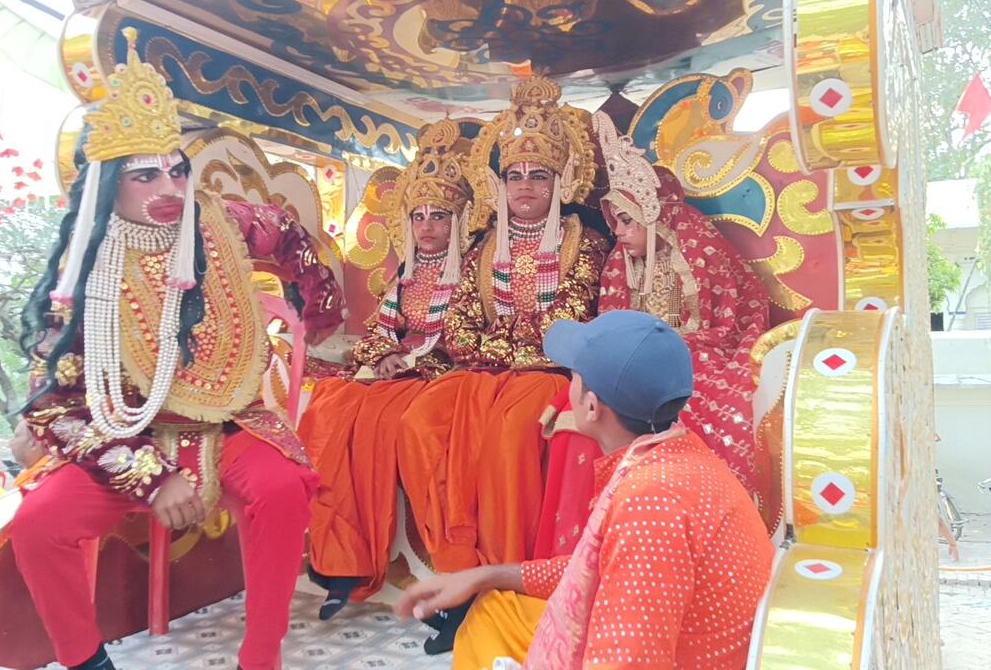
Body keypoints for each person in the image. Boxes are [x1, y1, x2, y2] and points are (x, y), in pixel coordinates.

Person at [11, 28, 344, 670]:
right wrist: (152, 475)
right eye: (145, 176)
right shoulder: (81, 276)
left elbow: (288, 230)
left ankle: (261, 658)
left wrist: (319, 300)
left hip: (232, 423)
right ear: (110, 186)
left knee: (283, 488)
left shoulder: (221, 221)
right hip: (128, 437)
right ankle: (85, 661)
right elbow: (53, 409)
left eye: (176, 170)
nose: (168, 188)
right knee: (38, 524)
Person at [396, 311, 774, 670]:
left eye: (573, 376)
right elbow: (600, 568)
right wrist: (483, 576)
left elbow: (628, 661)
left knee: (490, 625)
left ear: (591, 406)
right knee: (495, 611)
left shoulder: (651, 502)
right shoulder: (676, 451)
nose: (568, 386)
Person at [396, 75, 609, 652]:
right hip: (481, 373)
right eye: (515, 175)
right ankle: (454, 569)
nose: (525, 186)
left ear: (559, 181)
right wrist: (496, 352)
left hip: (546, 374)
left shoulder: (584, 240)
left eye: (538, 175)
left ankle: (502, 585)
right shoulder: (483, 246)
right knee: (417, 425)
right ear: (500, 183)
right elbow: (459, 322)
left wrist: (516, 352)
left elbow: (571, 318)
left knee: (509, 440)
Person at [534, 113, 772, 557]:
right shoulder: (618, 263)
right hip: (632, 363)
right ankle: (578, 549)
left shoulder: (700, 248)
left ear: (654, 214)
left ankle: (667, 535)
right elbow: (610, 335)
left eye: (628, 221)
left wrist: (672, 345)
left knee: (688, 403)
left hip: (696, 355)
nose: (619, 232)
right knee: (572, 413)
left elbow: (732, 321)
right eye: (615, 222)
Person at [298, 118, 477, 620]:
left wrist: (413, 359)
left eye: (439, 216)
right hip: (396, 371)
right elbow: (381, 327)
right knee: (330, 405)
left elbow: (467, 334)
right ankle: (338, 562)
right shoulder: (408, 272)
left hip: (441, 373)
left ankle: (436, 577)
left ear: (459, 221)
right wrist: (383, 355)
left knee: (381, 421)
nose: (426, 226)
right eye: (418, 216)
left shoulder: (474, 267)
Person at [10, 419, 59, 488]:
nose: (10, 443)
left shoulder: (48, 474)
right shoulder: (28, 474)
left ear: (33, 443)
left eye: (16, 436)